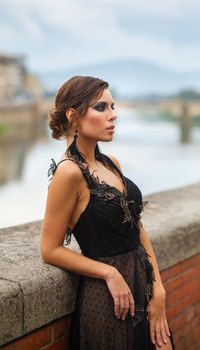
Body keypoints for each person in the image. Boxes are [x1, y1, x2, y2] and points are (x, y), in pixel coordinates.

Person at [40, 76, 176, 350]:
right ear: (74, 116)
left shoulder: (111, 163)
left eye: (113, 107)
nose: (113, 115)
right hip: (109, 301)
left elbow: (136, 227)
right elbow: (49, 249)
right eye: (101, 107)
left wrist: (158, 288)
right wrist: (109, 273)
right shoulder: (69, 173)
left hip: (142, 285)